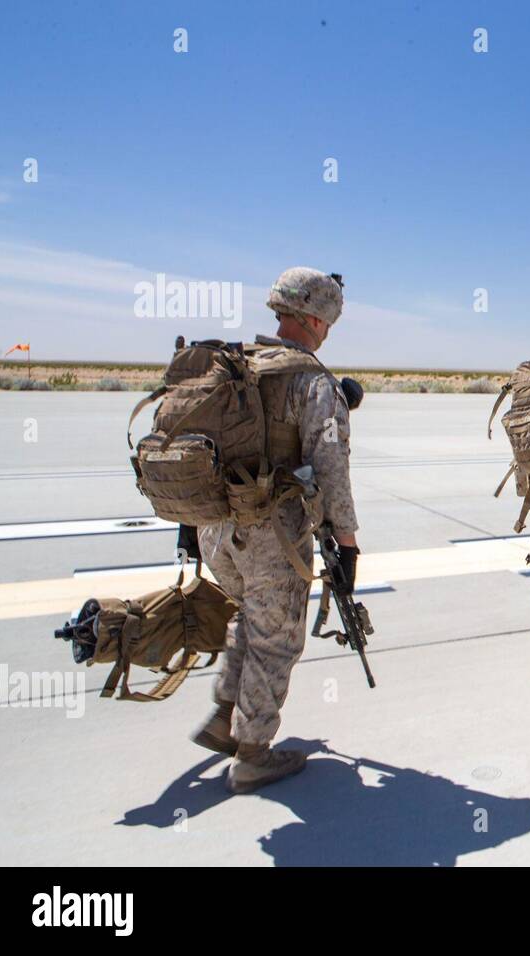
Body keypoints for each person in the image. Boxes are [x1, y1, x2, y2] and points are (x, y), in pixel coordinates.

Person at [189, 267, 359, 794]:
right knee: (278, 638)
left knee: (252, 620)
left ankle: (224, 716)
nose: (327, 330)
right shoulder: (311, 380)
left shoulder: (234, 365)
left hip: (215, 530)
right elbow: (331, 470)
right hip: (269, 534)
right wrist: (348, 544)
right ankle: (253, 753)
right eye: (326, 321)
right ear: (313, 317)